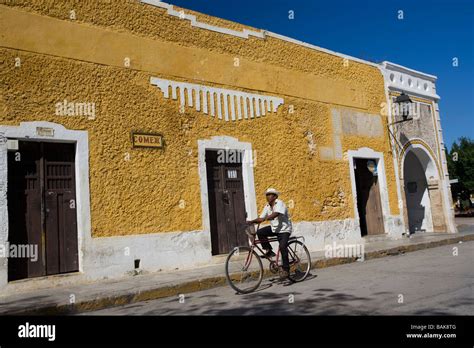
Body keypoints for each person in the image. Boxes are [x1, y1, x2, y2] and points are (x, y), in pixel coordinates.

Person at [247, 188, 292, 279]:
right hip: (274, 229)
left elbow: (276, 214)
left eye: (270, 194)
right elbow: (261, 218)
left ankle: (286, 270)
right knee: (260, 232)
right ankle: (269, 251)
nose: (267, 196)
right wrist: (251, 221)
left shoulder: (279, 203)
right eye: (267, 195)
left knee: (283, 247)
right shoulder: (267, 206)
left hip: (284, 230)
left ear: (275, 196)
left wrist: (267, 218)